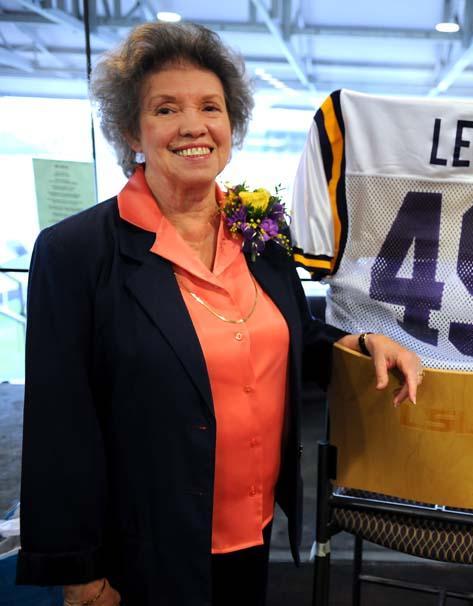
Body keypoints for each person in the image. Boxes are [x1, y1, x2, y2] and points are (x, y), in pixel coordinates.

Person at [16, 22, 422, 606]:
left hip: (252, 532)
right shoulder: (76, 253)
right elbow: (59, 423)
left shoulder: (261, 238)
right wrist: (78, 572)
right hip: (141, 549)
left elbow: (289, 341)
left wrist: (356, 344)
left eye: (211, 107)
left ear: (231, 126)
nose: (193, 126)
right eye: (166, 109)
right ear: (132, 129)